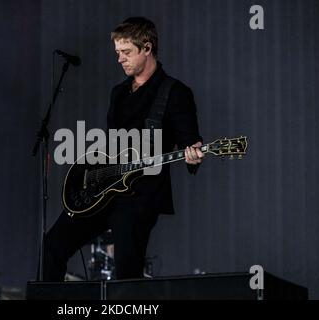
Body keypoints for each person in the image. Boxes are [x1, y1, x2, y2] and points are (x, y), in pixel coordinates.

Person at [43, 17, 204, 281]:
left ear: (147, 48)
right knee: (52, 247)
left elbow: (190, 142)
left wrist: (194, 155)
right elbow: (109, 145)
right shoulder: (118, 92)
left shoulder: (175, 92)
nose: (120, 59)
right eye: (118, 53)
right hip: (104, 186)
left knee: (126, 271)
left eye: (126, 52)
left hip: (140, 194)